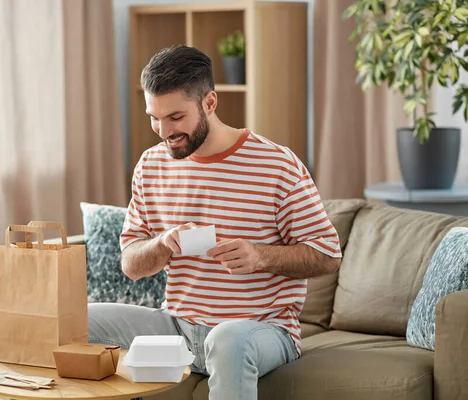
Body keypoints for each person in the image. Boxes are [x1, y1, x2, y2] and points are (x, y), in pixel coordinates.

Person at [88, 45, 341, 399]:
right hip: (177, 325)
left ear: (209, 103)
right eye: (154, 117)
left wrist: (260, 255)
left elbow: (327, 255)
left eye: (175, 117)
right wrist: (162, 243)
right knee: (76, 321)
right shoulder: (150, 166)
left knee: (226, 339)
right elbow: (130, 264)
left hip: (260, 329)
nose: (163, 131)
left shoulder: (276, 165)